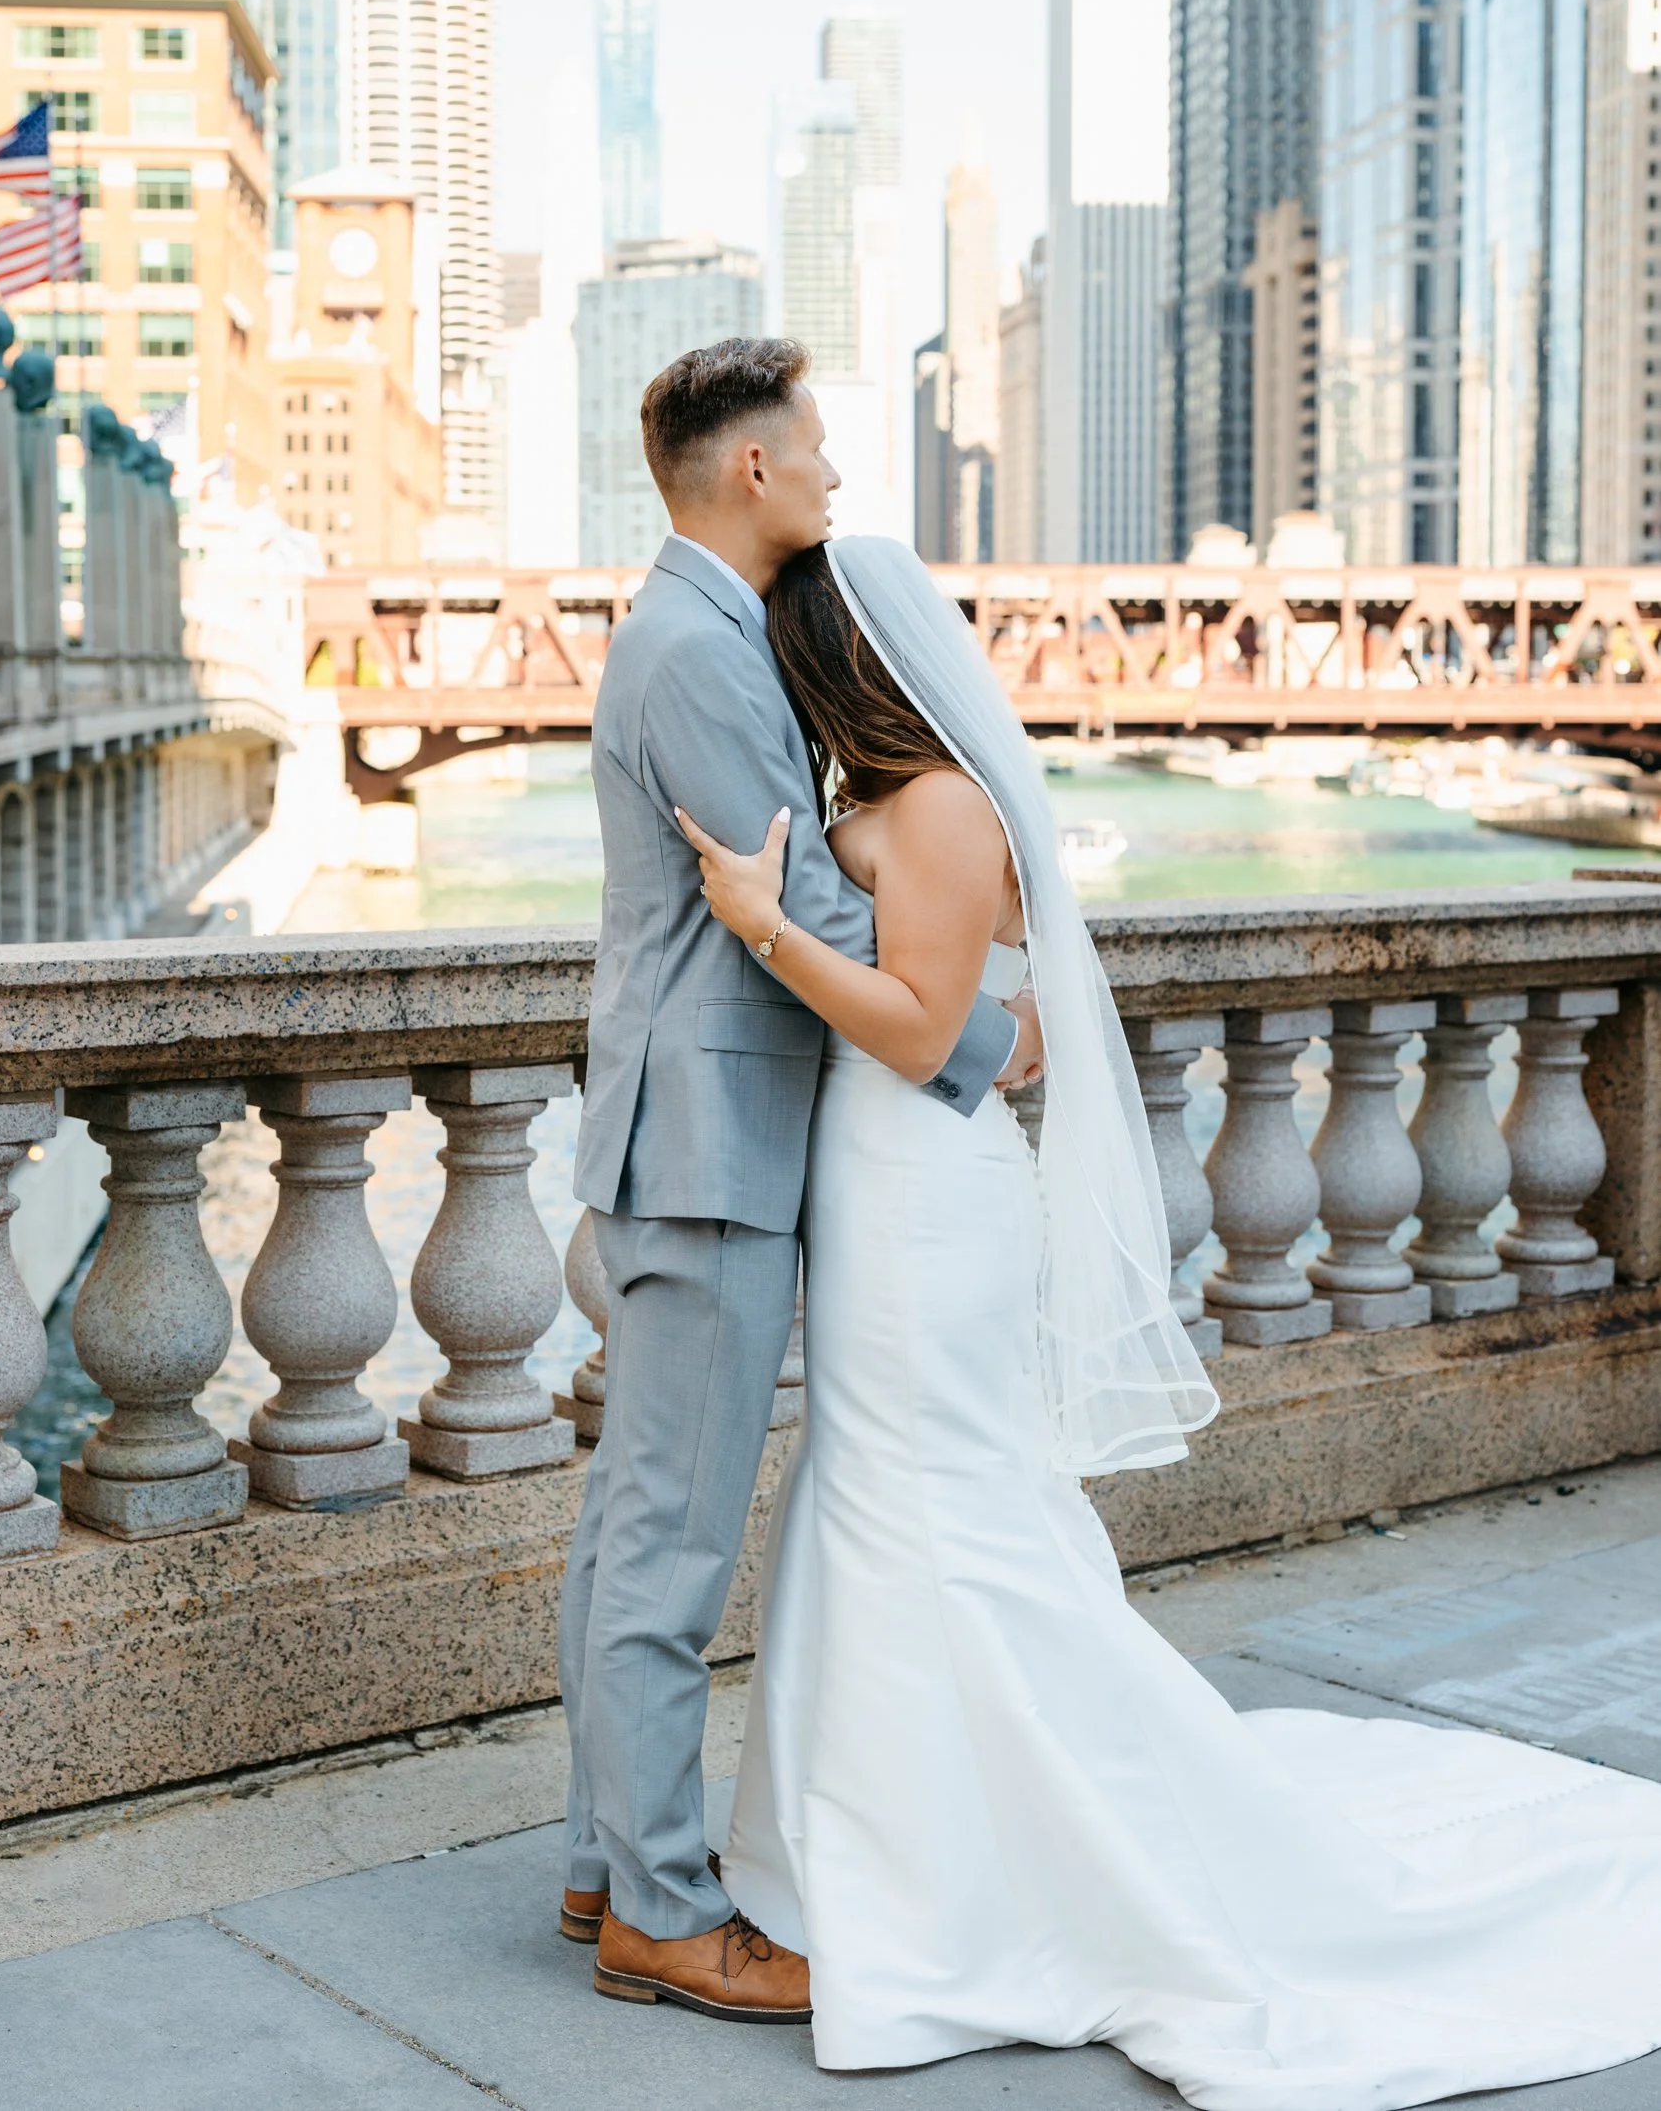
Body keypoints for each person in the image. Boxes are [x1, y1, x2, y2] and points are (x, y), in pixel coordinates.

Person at [679, 532, 1661, 2107]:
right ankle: (909, 1861)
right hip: (912, 1189)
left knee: (919, 1509)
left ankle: (951, 1884)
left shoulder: (929, 805)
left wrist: (764, 921)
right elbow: (1013, 1046)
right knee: (906, 1504)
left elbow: (926, 1026)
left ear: (825, 666)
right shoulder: (939, 803)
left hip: (918, 1206)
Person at [558, 339, 1041, 2024]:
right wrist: (974, 1038)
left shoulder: (700, 630)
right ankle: (669, 1918)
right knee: (671, 1546)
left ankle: (607, 1861)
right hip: (708, 1146)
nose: (834, 476)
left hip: (700, 1133)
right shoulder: (696, 650)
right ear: (748, 468)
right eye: (818, 449)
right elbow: (804, 923)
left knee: (633, 1528)